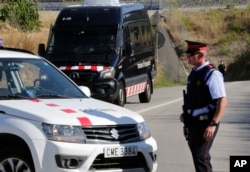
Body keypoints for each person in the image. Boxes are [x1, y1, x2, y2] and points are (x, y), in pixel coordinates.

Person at [180, 40, 228, 172]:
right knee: (197, 156)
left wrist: (213, 124)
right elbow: (195, 99)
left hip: (207, 123)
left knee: (202, 156)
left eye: (191, 55)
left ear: (200, 55)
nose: (187, 58)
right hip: (193, 123)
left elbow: (222, 101)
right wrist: (186, 114)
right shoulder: (193, 73)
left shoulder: (212, 74)